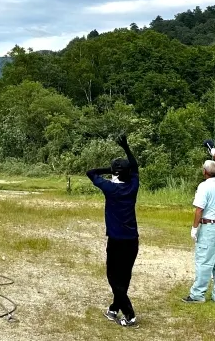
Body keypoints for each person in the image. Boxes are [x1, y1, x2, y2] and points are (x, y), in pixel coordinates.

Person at [86, 133, 140, 328]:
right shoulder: (133, 186)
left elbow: (91, 172)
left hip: (116, 239)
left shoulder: (110, 188)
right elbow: (135, 168)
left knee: (113, 276)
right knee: (124, 276)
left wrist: (109, 169)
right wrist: (126, 147)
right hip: (133, 240)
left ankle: (130, 314)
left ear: (115, 173)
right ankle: (114, 309)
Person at [183, 139, 215, 304]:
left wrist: (194, 228)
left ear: (204, 172)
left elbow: (199, 209)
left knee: (204, 261)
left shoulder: (204, 187)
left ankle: (198, 295)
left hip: (208, 228)